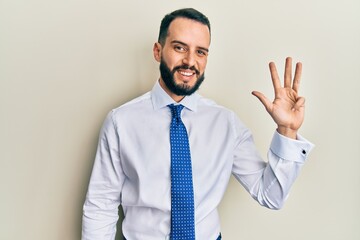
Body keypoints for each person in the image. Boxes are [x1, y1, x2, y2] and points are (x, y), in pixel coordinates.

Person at [82, 8, 314, 240]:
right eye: (179, 47)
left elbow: (270, 196)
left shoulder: (226, 123)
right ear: (158, 50)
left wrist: (288, 131)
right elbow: (101, 205)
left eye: (200, 52)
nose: (190, 61)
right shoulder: (121, 121)